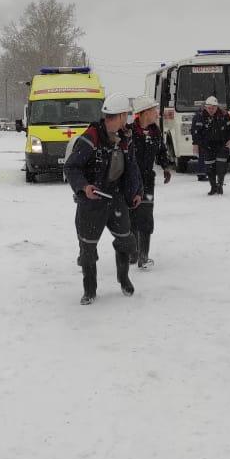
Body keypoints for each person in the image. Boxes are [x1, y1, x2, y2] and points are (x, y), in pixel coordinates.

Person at [63, 94, 143, 304]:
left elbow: (132, 168)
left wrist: (136, 191)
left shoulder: (125, 138)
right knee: (88, 248)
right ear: (115, 117)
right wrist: (84, 187)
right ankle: (89, 290)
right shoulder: (90, 138)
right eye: (125, 115)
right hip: (92, 202)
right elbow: (71, 167)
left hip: (116, 199)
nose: (127, 119)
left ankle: (123, 278)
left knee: (126, 241)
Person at [129, 95, 174, 269]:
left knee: (146, 218)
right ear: (144, 113)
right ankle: (132, 252)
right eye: (154, 110)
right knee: (131, 218)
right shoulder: (128, 132)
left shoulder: (155, 131)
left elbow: (161, 151)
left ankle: (143, 256)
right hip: (130, 182)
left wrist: (165, 167)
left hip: (147, 181)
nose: (157, 113)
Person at [190, 95, 230, 195]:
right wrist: (195, 144)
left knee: (221, 166)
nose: (211, 110)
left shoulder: (224, 115)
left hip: (222, 144)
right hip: (207, 146)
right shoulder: (199, 116)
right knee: (209, 168)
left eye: (213, 108)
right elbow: (195, 131)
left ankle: (220, 185)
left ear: (217, 107)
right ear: (206, 107)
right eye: (209, 108)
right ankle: (213, 187)